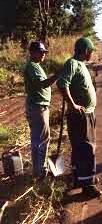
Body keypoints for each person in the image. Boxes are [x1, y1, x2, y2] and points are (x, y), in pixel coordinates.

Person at [57, 37, 101, 197]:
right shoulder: (72, 63)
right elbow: (62, 84)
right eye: (91, 51)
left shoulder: (81, 64)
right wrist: (73, 105)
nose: (91, 54)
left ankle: (80, 178)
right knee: (87, 148)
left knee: (80, 147)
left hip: (87, 113)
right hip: (81, 115)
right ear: (86, 51)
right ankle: (87, 185)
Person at [24, 41, 59, 180]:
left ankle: (40, 170)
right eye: (41, 52)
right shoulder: (32, 66)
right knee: (41, 140)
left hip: (40, 106)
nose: (43, 54)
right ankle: (40, 172)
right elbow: (42, 84)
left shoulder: (36, 66)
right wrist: (57, 75)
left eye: (44, 52)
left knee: (40, 139)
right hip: (37, 107)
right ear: (32, 53)